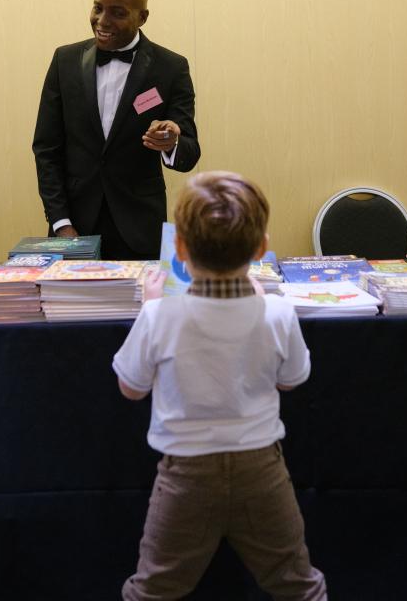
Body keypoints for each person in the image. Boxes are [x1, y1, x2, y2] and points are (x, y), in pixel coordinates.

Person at [113, 171, 327, 600]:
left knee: (154, 589)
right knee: (297, 585)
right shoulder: (278, 313)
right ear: (261, 247)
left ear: (179, 248)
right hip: (261, 471)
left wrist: (150, 309)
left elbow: (130, 388)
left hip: (185, 475)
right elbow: (291, 381)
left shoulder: (158, 317)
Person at [32, 0, 200, 260]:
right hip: (73, 230)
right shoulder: (65, 61)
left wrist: (171, 143)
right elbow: (47, 148)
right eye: (98, 8)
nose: (102, 21)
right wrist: (60, 222)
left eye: (118, 13)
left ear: (142, 17)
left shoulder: (171, 68)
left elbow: (189, 152)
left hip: (140, 233)